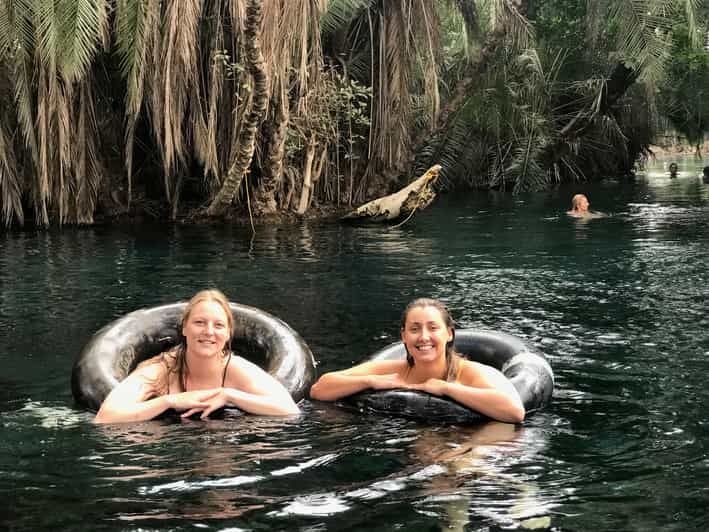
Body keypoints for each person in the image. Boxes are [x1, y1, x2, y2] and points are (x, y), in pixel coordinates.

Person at [94, 289, 300, 423]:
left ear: (228, 333)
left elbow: (289, 409)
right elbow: (105, 417)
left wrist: (229, 395)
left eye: (218, 325)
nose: (209, 332)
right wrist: (169, 401)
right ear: (184, 328)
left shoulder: (236, 369)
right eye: (199, 323)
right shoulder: (160, 370)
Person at [309, 298, 525, 423]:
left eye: (433, 328)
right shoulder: (392, 370)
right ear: (403, 336)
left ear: (449, 334)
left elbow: (514, 411)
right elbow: (320, 389)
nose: (423, 337)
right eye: (414, 329)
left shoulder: (470, 373)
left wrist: (446, 388)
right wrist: (370, 381)